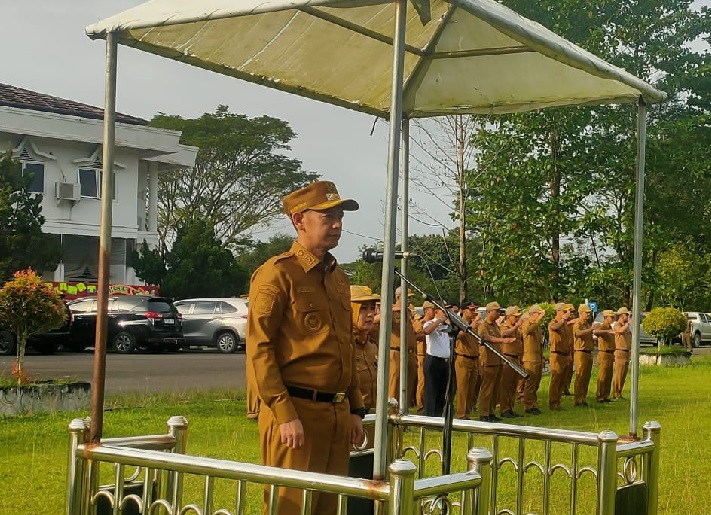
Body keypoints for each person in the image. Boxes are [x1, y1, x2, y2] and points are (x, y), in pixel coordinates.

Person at [247, 180, 364, 515]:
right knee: (292, 506)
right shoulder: (277, 274)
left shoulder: (339, 277)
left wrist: (355, 408)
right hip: (296, 411)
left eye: (340, 215)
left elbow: (345, 345)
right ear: (299, 220)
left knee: (329, 506)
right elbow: (260, 349)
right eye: (328, 216)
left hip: (336, 414)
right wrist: (284, 415)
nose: (338, 224)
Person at [350, 285, 380, 447]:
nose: (370, 314)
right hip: (351, 422)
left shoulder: (372, 346)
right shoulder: (342, 346)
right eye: (362, 308)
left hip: (372, 420)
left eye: (371, 308)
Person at [478, 301, 516, 422]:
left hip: (497, 360)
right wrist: (503, 341)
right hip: (488, 361)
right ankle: (484, 413)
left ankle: (491, 411)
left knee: (495, 389)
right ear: (489, 312)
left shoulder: (495, 325)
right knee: (487, 389)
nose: (498, 313)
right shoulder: (483, 325)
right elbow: (486, 338)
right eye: (496, 311)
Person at [389, 286, 418, 407]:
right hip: (396, 352)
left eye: (410, 298)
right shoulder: (392, 310)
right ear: (398, 297)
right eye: (407, 297)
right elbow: (376, 320)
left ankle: (403, 411)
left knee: (408, 385)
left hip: (410, 353)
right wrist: (393, 310)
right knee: (394, 383)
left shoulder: (408, 312)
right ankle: (391, 410)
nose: (410, 300)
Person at [423, 303, 451, 417]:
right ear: (436, 311)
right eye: (443, 311)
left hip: (445, 361)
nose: (446, 313)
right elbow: (427, 331)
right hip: (433, 360)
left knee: (441, 390)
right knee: (431, 390)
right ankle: (429, 416)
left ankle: (438, 415)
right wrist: (439, 321)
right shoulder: (430, 323)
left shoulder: (446, 326)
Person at [453, 303, 479, 419]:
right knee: (463, 388)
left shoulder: (475, 324)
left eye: (475, 309)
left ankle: (467, 413)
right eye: (471, 310)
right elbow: (459, 336)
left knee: (471, 388)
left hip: (474, 358)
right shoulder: (458, 322)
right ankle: (461, 414)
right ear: (463, 310)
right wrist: (471, 326)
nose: (474, 312)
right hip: (463, 357)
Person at [499, 305, 524, 418]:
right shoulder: (505, 326)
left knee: (513, 385)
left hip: (516, 358)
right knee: (506, 385)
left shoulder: (516, 328)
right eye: (515, 316)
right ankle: (505, 409)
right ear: (509, 316)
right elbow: (504, 334)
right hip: (507, 358)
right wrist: (516, 327)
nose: (517, 319)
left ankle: (510, 407)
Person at [521, 304, 545, 415]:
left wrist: (542, 357)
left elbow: (540, 343)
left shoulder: (537, 326)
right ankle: (528, 405)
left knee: (536, 382)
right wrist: (538, 320)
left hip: (537, 358)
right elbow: (529, 330)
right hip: (530, 358)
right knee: (530, 383)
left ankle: (533, 403)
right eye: (538, 313)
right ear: (532, 314)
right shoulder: (527, 324)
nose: (541, 316)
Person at [548, 303, 572, 411]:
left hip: (565, 355)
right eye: (564, 311)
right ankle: (553, 403)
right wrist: (562, 320)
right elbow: (553, 328)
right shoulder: (554, 322)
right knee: (556, 379)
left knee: (562, 380)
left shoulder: (565, 324)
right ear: (558, 312)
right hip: (557, 354)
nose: (567, 314)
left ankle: (558, 402)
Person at [572, 304, 594, 406]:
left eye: (589, 313)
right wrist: (590, 330)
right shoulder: (578, 323)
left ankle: (583, 397)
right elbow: (578, 334)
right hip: (580, 351)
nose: (588, 314)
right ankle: (578, 398)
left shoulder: (587, 324)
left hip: (588, 351)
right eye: (586, 313)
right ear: (580, 313)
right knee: (580, 376)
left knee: (586, 376)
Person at [593, 309, 616, 403]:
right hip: (604, 353)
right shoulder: (602, 326)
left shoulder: (610, 327)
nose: (613, 319)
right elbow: (596, 332)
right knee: (603, 375)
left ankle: (605, 395)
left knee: (609, 376)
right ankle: (600, 395)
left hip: (610, 353)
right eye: (611, 317)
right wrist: (607, 332)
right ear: (606, 317)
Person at [613, 306, 632, 400]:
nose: (627, 316)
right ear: (621, 315)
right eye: (626, 315)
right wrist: (626, 325)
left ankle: (619, 392)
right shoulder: (617, 325)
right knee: (619, 373)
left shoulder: (626, 326)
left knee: (623, 374)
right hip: (619, 351)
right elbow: (620, 331)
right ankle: (616, 393)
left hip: (626, 351)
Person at [562, 303, 576, 396]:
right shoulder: (563, 322)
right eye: (569, 311)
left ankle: (567, 388)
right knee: (563, 371)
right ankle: (562, 388)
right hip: (564, 349)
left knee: (570, 370)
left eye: (572, 312)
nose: (571, 314)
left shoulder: (573, 322)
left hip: (572, 348)